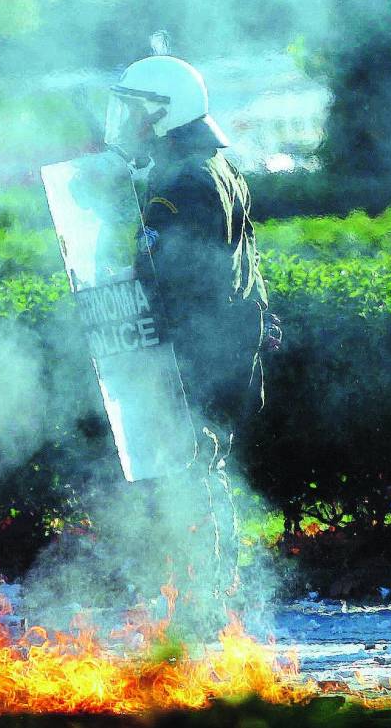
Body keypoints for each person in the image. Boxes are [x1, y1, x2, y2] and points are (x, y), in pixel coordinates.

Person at [104, 55, 279, 454]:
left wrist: (126, 288)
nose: (131, 123)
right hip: (220, 343)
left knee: (193, 463)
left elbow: (175, 278)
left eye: (136, 112)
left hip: (196, 352)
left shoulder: (186, 181)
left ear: (165, 115)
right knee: (207, 459)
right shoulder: (212, 166)